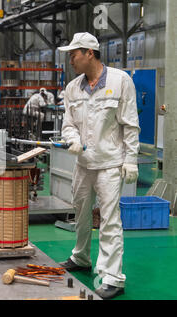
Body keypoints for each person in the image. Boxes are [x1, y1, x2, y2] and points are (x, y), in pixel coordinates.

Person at [58, 32, 140, 299]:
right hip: (83, 164)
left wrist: (131, 160)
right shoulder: (72, 88)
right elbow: (69, 123)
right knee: (80, 214)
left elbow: (129, 124)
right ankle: (81, 257)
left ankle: (113, 276)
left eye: (74, 54)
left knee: (109, 220)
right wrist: (71, 139)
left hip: (109, 165)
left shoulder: (120, 81)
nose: (70, 60)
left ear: (89, 53)